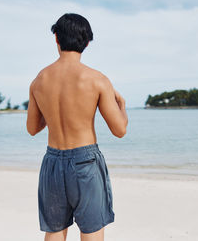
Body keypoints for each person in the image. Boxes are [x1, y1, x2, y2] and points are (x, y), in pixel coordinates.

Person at [26, 13, 128, 241]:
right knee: (91, 232)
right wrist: (122, 105)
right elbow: (120, 130)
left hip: (52, 162)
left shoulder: (39, 80)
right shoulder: (96, 79)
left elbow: (32, 128)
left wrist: (51, 112)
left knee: (54, 231)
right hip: (85, 163)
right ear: (87, 42)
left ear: (56, 38)